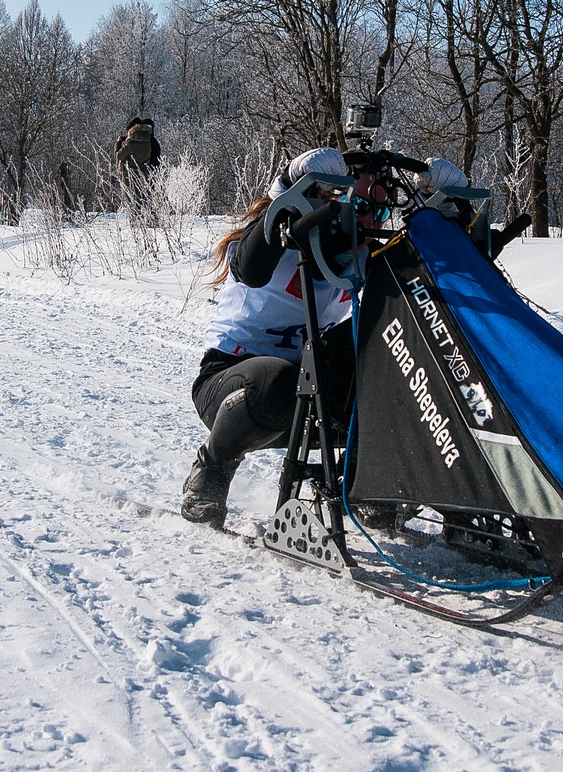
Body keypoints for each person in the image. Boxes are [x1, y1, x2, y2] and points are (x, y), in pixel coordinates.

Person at [181, 147, 467, 529]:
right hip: (234, 385)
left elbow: (436, 275)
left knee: (396, 358)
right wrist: (287, 184)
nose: (368, 221)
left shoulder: (361, 258)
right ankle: (211, 469)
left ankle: (371, 487)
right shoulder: (280, 236)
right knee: (279, 380)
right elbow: (249, 266)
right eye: (359, 207)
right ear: (333, 200)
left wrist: (450, 210)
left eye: (380, 212)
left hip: (307, 389)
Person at [115, 117, 162, 223]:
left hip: (130, 175)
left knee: (132, 199)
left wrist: (118, 143)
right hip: (147, 174)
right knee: (146, 198)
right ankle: (151, 220)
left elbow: (118, 156)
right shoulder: (150, 142)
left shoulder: (131, 144)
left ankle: (135, 221)